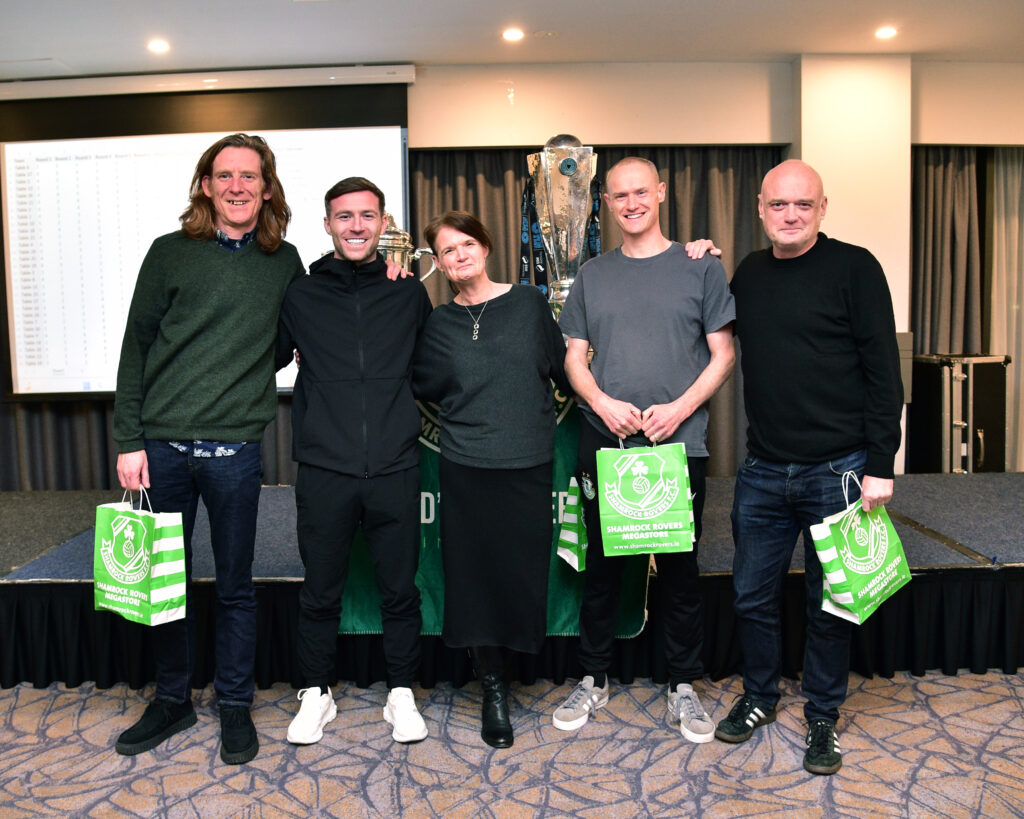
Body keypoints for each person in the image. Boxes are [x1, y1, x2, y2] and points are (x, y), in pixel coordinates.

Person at [112, 133, 305, 764]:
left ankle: (234, 706)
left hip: (234, 454)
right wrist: (128, 439)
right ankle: (171, 699)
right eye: (224, 176)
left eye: (250, 176)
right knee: (164, 580)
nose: (237, 187)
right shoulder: (169, 254)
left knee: (234, 586)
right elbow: (136, 348)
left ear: (267, 188)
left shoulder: (285, 260)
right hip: (160, 450)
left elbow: (286, 341)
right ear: (205, 185)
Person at [718, 159, 904, 775]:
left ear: (822, 209)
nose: (790, 215)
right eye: (778, 205)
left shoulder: (856, 268)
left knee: (833, 602)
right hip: (764, 471)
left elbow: (884, 373)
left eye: (803, 205)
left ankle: (823, 713)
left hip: (842, 469)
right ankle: (762, 697)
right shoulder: (747, 272)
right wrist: (696, 255)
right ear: (761, 210)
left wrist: (882, 463)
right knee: (750, 595)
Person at [555, 157, 735, 743]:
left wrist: (679, 409)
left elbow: (723, 354)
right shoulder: (592, 275)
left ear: (660, 192)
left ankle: (683, 685)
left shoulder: (700, 268)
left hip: (676, 446)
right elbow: (573, 360)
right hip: (607, 443)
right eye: (619, 195)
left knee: (681, 572)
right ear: (605, 203)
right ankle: (593, 677)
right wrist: (603, 404)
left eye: (641, 191)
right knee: (604, 570)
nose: (631, 203)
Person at [276, 177, 433, 746]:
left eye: (367, 216)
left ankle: (401, 694)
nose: (356, 226)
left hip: (394, 466)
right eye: (344, 216)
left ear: (383, 224)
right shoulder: (301, 294)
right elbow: (266, 356)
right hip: (325, 468)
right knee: (320, 591)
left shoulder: (408, 292)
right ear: (327, 225)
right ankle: (316, 695)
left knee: (400, 590)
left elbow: (432, 368)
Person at [412, 210, 571, 749]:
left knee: (515, 572)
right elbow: (426, 385)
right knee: (473, 578)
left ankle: (514, 666)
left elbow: (558, 369)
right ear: (438, 263)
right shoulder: (438, 322)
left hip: (526, 464)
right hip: (465, 466)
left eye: (466, 245)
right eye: (446, 251)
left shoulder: (528, 303)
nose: (458, 256)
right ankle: (493, 687)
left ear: (485, 246)